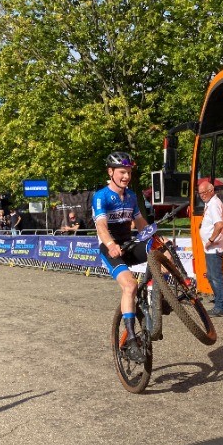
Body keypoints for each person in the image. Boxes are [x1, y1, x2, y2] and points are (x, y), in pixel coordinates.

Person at [93, 151, 151, 363]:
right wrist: (110, 244)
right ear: (111, 172)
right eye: (122, 172)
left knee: (158, 251)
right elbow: (101, 226)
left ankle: (173, 292)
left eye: (128, 172)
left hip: (128, 244)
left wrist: (155, 237)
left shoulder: (132, 197)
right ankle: (132, 340)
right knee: (130, 285)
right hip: (110, 250)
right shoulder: (101, 196)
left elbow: (141, 223)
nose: (126, 176)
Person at [197, 179, 223, 316]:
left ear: (211, 191)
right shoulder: (210, 204)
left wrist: (210, 240)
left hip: (214, 247)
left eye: (204, 192)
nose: (202, 195)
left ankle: (220, 307)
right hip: (211, 248)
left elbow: (219, 224)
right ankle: (218, 300)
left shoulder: (214, 204)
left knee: (216, 277)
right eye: (200, 193)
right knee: (211, 275)